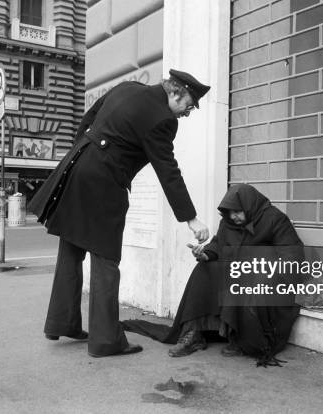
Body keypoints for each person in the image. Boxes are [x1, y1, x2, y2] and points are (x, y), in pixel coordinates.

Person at [28, 69, 211, 358]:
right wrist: (191, 218)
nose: (187, 113)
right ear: (175, 92)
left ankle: (61, 322)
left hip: (77, 169)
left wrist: (83, 156)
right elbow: (168, 171)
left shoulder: (127, 87)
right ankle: (105, 341)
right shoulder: (162, 119)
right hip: (105, 184)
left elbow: (87, 119)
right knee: (106, 260)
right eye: (188, 105)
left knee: (71, 249)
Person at [123, 184, 304, 367]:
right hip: (237, 271)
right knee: (205, 269)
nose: (234, 217)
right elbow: (218, 244)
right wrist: (205, 253)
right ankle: (195, 333)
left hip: (266, 277)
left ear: (250, 206)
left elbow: (292, 255)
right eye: (230, 212)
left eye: (238, 212)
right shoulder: (228, 221)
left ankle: (240, 339)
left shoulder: (274, 219)